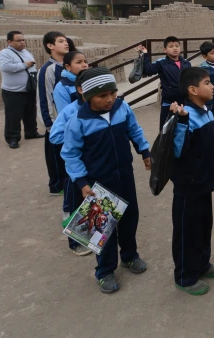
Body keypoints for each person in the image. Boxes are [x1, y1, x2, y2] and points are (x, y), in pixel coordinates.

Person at [61, 66, 152, 294]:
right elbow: (70, 154)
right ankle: (105, 271)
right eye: (102, 96)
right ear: (87, 95)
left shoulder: (123, 108)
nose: (110, 99)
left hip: (125, 176)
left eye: (112, 93)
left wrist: (144, 151)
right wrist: (82, 183)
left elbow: (135, 130)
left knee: (130, 218)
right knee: (103, 228)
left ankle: (130, 256)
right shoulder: (78, 121)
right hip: (98, 184)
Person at [168, 67, 214, 296]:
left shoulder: (207, 110)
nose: (213, 86)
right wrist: (182, 121)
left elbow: (209, 143)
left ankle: (203, 264)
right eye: (207, 82)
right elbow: (177, 150)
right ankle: (185, 276)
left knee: (204, 225)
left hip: (204, 181)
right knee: (187, 231)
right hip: (187, 186)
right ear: (193, 90)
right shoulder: (181, 115)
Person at [50, 50, 91, 256]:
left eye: (86, 61)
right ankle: (75, 242)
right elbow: (57, 135)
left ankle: (89, 234)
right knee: (73, 200)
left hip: (93, 161)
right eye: (79, 62)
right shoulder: (65, 95)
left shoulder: (96, 100)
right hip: (75, 161)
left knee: (91, 199)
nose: (84, 64)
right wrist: (77, 137)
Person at [38, 31, 71, 195]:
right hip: (57, 124)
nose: (65, 43)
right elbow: (44, 98)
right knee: (56, 157)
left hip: (71, 122)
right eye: (60, 41)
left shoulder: (68, 66)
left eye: (66, 40)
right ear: (50, 46)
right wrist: (50, 124)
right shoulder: (48, 70)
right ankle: (57, 186)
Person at [0, 31, 41, 149]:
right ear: (10, 42)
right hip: (13, 92)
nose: (22, 42)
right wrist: (25, 65)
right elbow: (5, 67)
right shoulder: (5, 53)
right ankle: (12, 138)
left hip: (28, 89)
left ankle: (31, 132)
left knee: (30, 113)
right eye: (19, 40)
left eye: (23, 40)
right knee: (13, 116)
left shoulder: (26, 52)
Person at [138, 36, 191, 129]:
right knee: (166, 131)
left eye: (177, 46)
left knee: (184, 129)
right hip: (169, 104)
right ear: (165, 50)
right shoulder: (161, 63)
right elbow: (148, 70)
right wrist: (145, 55)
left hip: (185, 103)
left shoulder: (186, 63)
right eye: (171, 46)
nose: (175, 48)